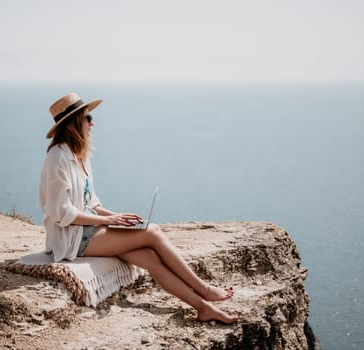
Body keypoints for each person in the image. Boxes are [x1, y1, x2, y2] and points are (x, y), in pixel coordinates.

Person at [39, 93, 240, 323]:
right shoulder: (58, 158)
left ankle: (202, 307)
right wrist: (108, 222)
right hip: (72, 238)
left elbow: (91, 203)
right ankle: (204, 289)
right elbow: (62, 214)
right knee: (152, 232)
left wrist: (115, 216)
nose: (92, 123)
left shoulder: (80, 156)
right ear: (75, 122)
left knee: (151, 258)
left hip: (89, 231)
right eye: (88, 118)